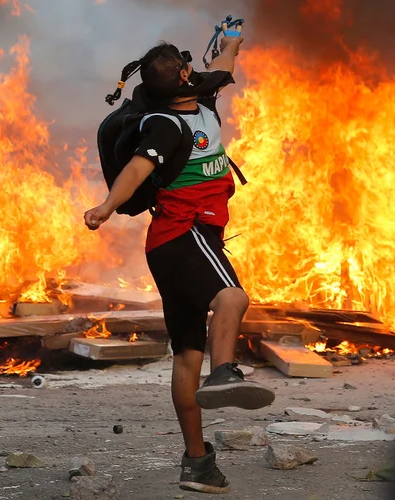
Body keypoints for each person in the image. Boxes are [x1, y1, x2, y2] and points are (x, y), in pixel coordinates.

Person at [85, 35, 275, 494]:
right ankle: (225, 371)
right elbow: (137, 168)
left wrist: (232, 41)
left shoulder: (199, 96)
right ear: (184, 77)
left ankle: (198, 464)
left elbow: (223, 66)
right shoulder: (166, 126)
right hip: (184, 235)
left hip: (168, 247)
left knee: (187, 354)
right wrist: (107, 206)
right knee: (232, 297)